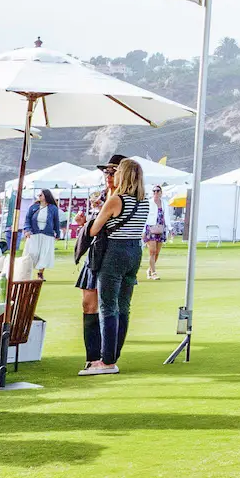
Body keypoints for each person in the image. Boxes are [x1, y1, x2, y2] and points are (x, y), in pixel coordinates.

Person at [78, 156, 148, 376]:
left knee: (108, 306)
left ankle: (106, 361)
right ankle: (113, 356)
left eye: (115, 172)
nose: (112, 175)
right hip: (134, 251)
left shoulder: (116, 200)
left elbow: (93, 230)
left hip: (115, 252)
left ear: (122, 175)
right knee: (123, 306)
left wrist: (92, 221)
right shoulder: (144, 200)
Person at [22, 189, 60, 280]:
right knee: (32, 253)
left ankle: (40, 274)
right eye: (38, 195)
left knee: (44, 254)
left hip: (47, 234)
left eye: (41, 195)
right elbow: (27, 219)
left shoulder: (53, 208)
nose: (39, 196)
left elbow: (56, 221)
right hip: (34, 233)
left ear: (46, 196)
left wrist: (57, 233)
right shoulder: (33, 207)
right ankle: (27, 272)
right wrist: (27, 230)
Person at [143, 185, 167, 280]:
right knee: (152, 251)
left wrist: (169, 228)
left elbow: (166, 216)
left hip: (161, 228)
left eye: (158, 191)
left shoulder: (164, 203)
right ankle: (153, 272)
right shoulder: (149, 203)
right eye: (154, 191)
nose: (156, 193)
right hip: (150, 228)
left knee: (157, 252)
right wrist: (143, 231)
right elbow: (145, 217)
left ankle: (150, 269)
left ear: (161, 192)